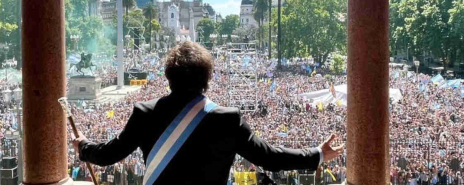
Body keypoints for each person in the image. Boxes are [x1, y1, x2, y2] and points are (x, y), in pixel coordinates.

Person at [72, 42, 344, 185]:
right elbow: (269, 158)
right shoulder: (227, 119)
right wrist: (317, 154)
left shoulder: (145, 113)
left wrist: (83, 146)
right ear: (208, 78)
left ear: (167, 77)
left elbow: (109, 155)